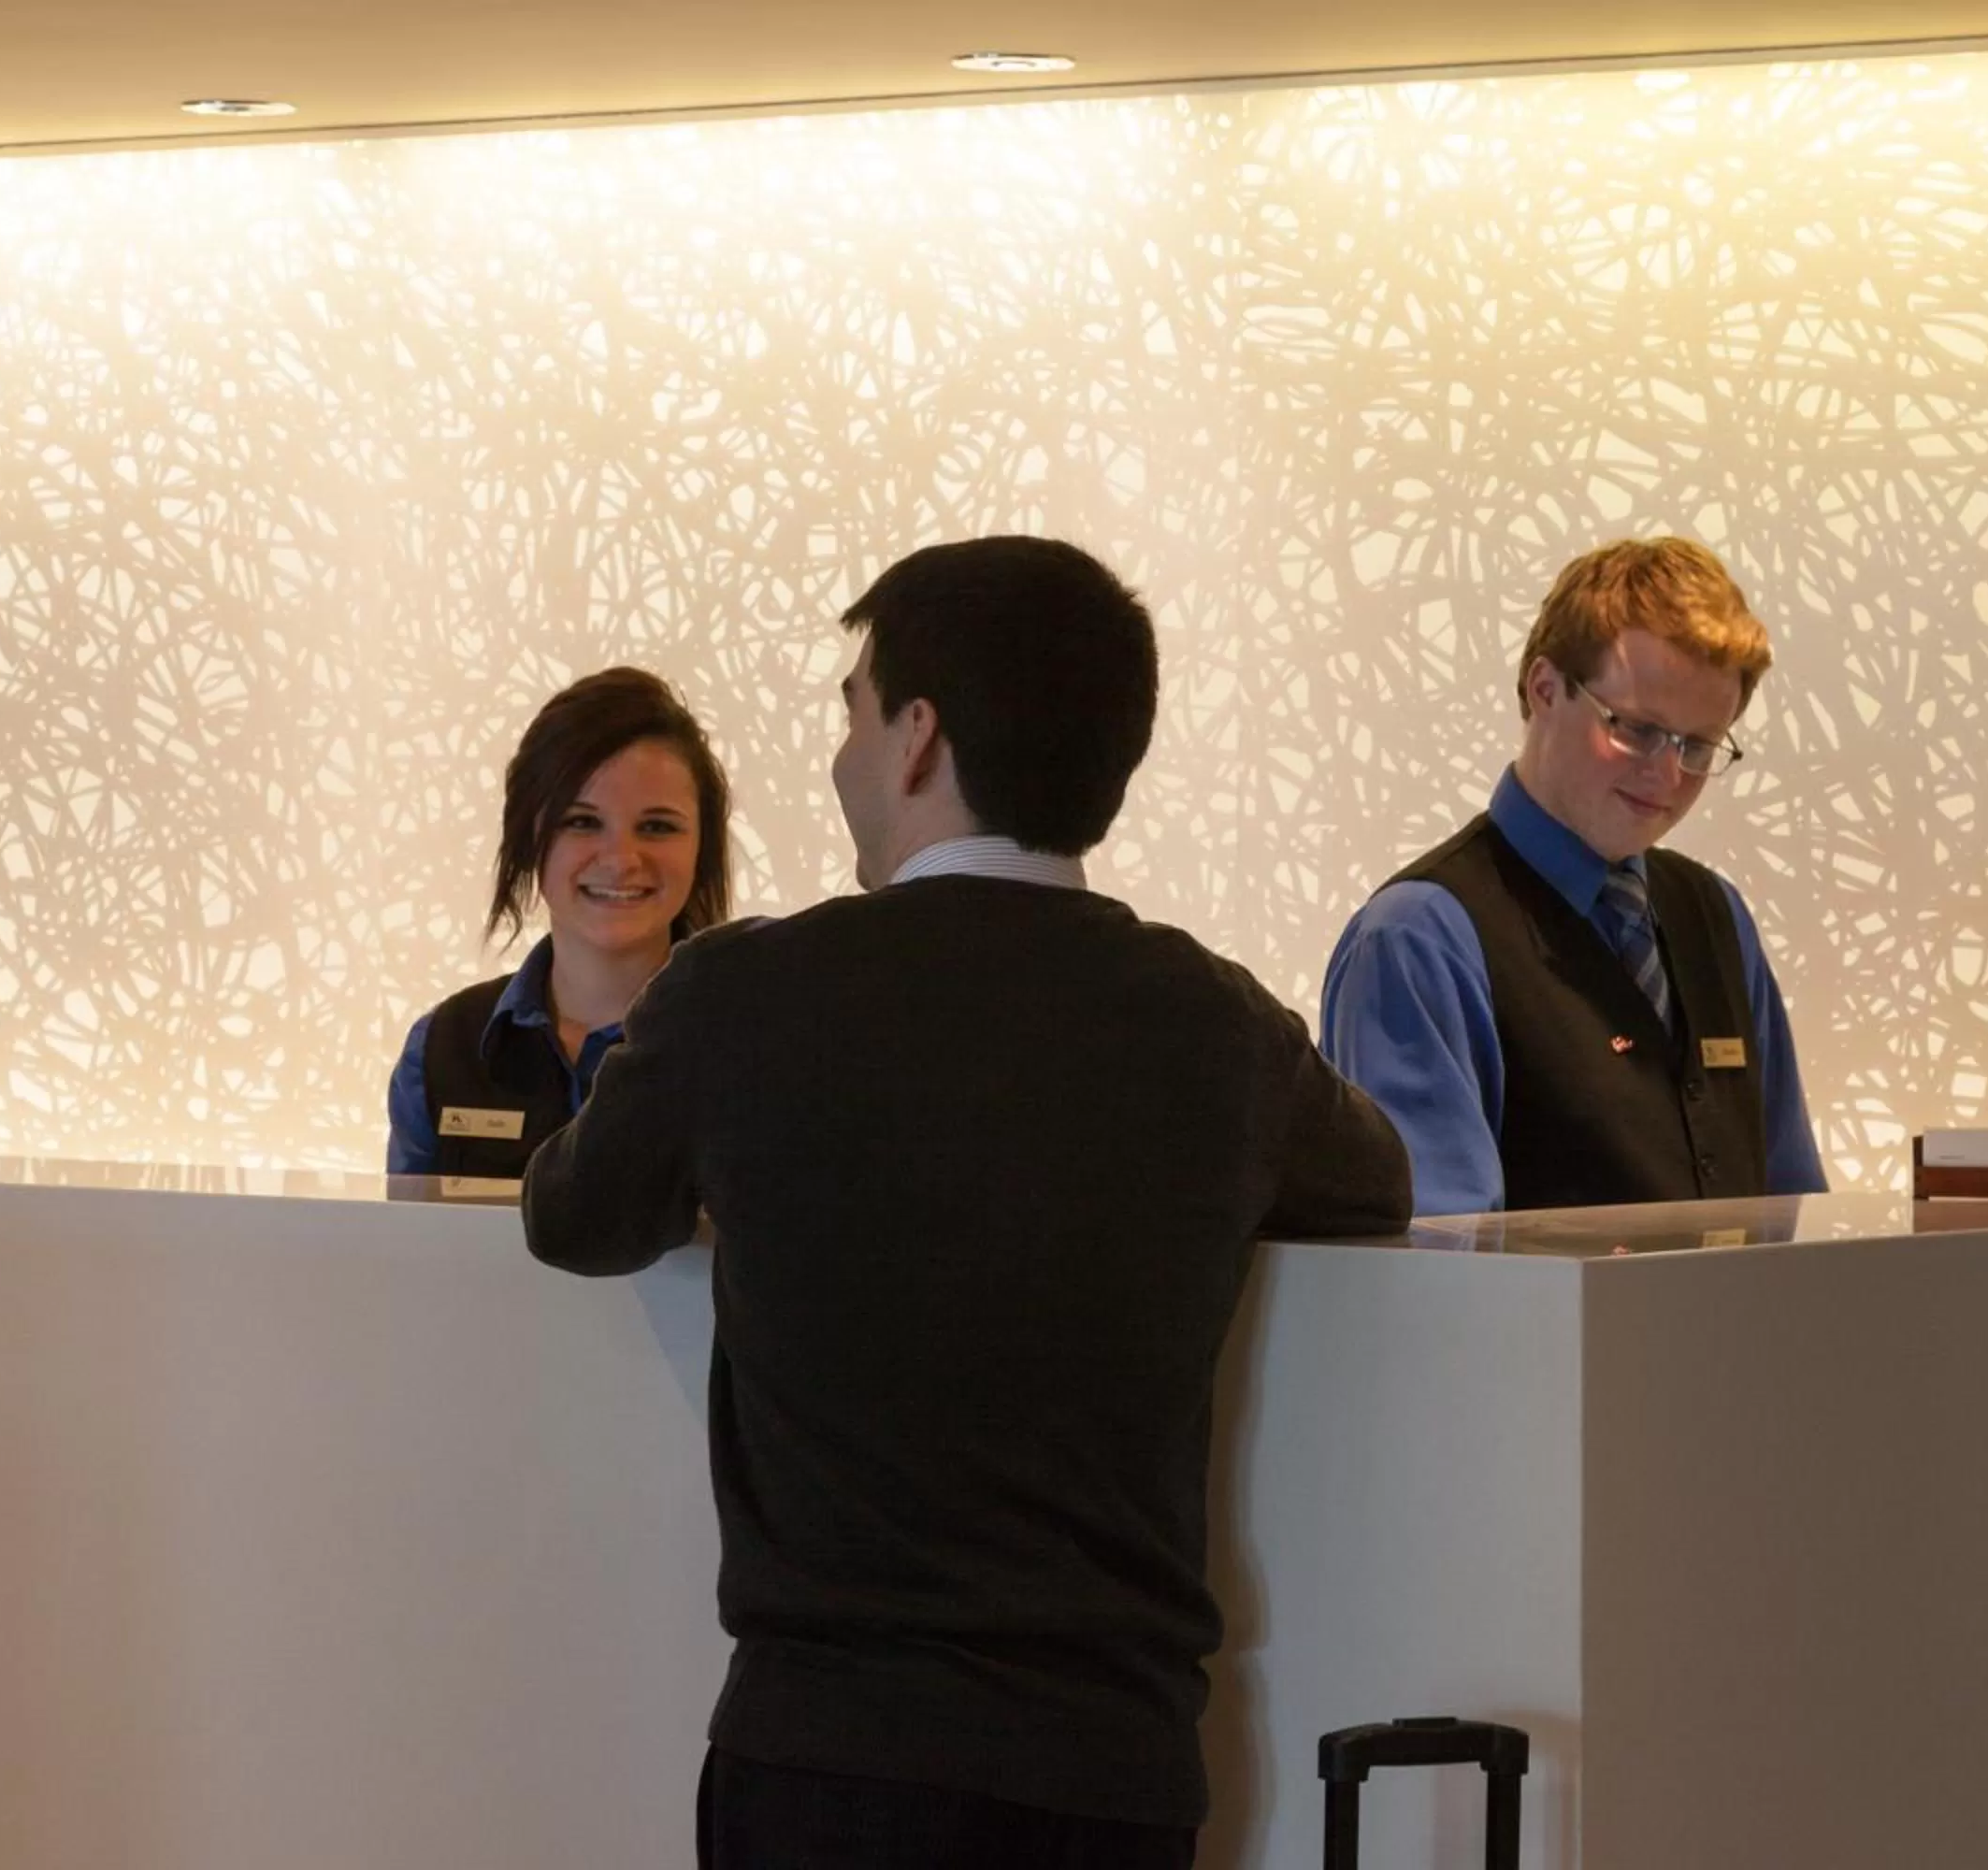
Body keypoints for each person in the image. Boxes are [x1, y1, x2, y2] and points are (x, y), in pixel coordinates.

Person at [523, 536, 1411, 1870]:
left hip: (829, 1758)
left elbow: (573, 1216)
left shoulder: (742, 1000)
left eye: (854, 707)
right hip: (1113, 1772)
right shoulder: (1215, 1027)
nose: (841, 754)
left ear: (919, 737)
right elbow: (1376, 1185)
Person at [1319, 536, 1826, 1216]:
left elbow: (1792, 1213)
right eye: (1638, 730)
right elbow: (1435, 1271)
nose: (1667, 774)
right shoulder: (1418, 939)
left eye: (1700, 746)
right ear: (1544, 688)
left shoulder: (1718, 915)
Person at [385, 668, 732, 1178]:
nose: (620, 859)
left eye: (657, 826)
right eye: (581, 822)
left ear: (701, 848)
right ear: (528, 841)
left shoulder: (751, 1044)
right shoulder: (440, 1049)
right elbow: (409, 1252)